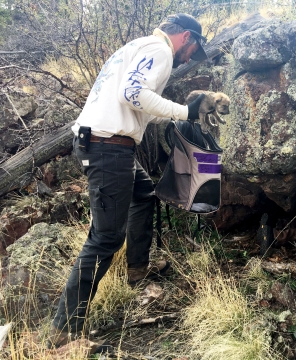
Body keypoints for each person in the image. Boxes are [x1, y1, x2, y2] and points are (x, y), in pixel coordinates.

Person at [48, 13, 208, 348]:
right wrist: (186, 113)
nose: (191, 57)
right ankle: (64, 332)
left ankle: (137, 268)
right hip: (108, 148)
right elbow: (132, 94)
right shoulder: (161, 50)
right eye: (194, 49)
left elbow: (138, 106)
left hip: (107, 144)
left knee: (143, 194)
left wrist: (178, 112)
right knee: (105, 238)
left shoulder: (136, 47)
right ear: (185, 37)